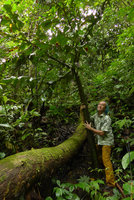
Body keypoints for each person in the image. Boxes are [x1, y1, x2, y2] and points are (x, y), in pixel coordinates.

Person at [81, 101, 115, 188]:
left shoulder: (107, 118)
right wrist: (82, 110)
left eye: (102, 105)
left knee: (106, 160)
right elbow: (86, 120)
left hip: (106, 142)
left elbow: (102, 133)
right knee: (97, 158)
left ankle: (111, 183)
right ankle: (98, 176)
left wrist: (90, 128)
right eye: (99, 104)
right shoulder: (95, 116)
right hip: (99, 141)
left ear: (105, 108)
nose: (100, 106)